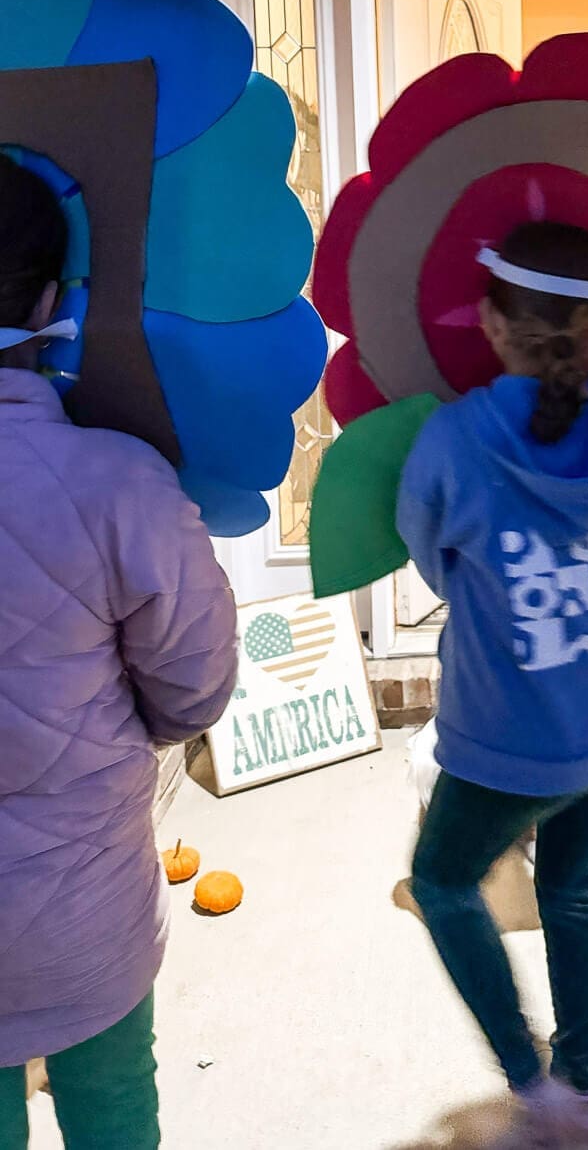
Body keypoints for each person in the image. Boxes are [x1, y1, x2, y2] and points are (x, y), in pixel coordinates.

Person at [398, 221, 588, 1149]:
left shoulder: (452, 440)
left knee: (441, 880)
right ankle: (584, 1087)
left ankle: (535, 1083)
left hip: (506, 741)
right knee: (573, 887)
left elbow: (436, 565)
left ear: (489, 320)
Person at [0, 157, 238, 1148]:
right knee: (111, 1115)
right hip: (81, 919)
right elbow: (198, 686)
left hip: (80, 914)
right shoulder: (120, 484)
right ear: (56, 298)